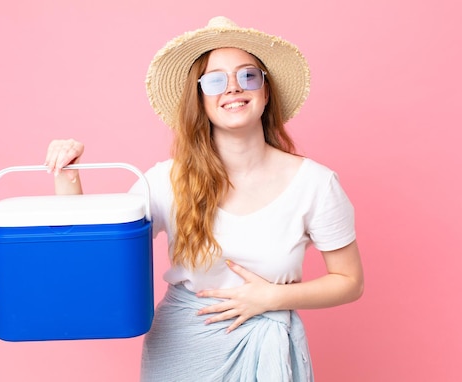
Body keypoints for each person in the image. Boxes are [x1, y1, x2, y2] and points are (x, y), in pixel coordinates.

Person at [45, 16, 364, 382]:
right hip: (182, 352)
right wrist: (68, 176)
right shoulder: (168, 180)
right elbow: (94, 256)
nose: (233, 88)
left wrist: (271, 298)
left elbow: (349, 280)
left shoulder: (316, 184)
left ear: (265, 91)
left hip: (270, 343)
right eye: (215, 81)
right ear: (200, 98)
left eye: (248, 76)